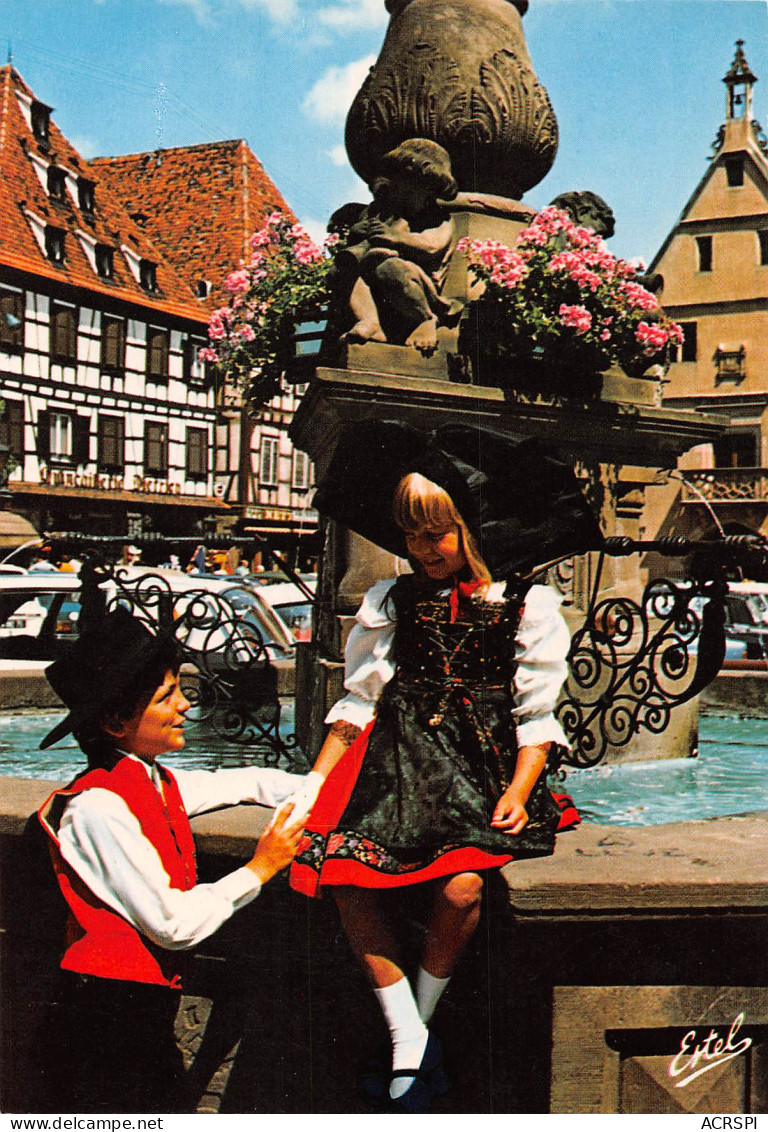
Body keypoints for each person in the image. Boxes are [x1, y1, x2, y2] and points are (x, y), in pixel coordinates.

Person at [286, 419, 603, 1113]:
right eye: (410, 534)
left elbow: (536, 718)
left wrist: (521, 791)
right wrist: (314, 782)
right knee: (343, 875)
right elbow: (358, 703)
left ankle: (418, 1022)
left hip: (481, 769)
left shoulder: (527, 605)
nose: (423, 549)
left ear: (470, 528)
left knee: (462, 890)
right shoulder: (392, 602)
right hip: (401, 767)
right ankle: (406, 1036)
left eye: (437, 533)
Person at [37, 606, 309, 1113]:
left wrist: (330, 795)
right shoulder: (98, 807)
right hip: (98, 1022)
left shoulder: (154, 783)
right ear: (116, 721)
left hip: (134, 1014)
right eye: (167, 696)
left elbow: (248, 781)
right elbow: (174, 925)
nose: (185, 705)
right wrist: (261, 866)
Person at [331, 139, 462, 354]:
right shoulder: (385, 211)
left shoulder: (437, 218)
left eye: (410, 192)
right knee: (344, 270)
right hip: (374, 277)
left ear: (429, 191)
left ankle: (426, 319)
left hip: (418, 284)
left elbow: (432, 245)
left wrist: (397, 238)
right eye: (397, 188)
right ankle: (369, 320)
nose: (400, 196)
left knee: (390, 269)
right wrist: (361, 231)